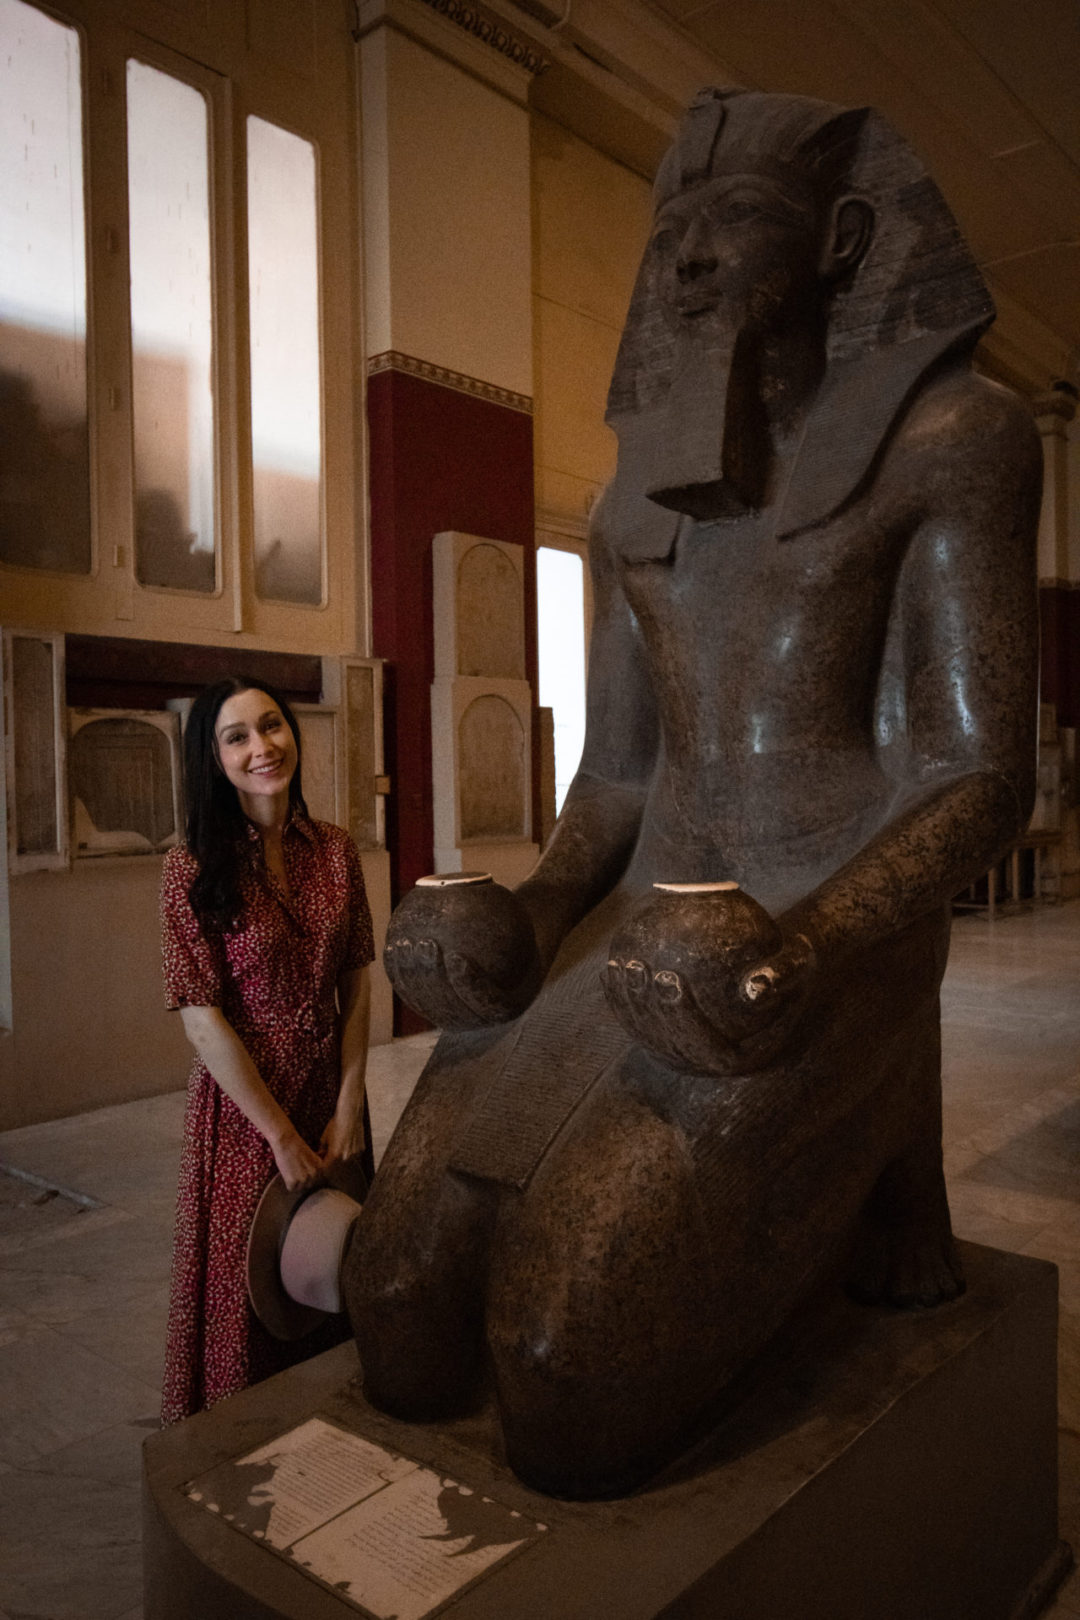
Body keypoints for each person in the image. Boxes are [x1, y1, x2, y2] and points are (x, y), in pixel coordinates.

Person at [350, 89, 1041, 1498]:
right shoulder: (628, 510)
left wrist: (808, 949)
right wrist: (535, 910)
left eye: (733, 219)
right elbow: (619, 776)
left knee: (563, 1375)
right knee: (398, 1308)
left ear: (844, 243)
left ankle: (882, 1143)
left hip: (817, 917)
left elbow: (976, 774)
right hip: (650, 925)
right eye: (672, 228)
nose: (687, 255)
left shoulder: (957, 437)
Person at [159, 676, 375, 1425]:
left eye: (272, 726)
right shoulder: (189, 868)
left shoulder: (337, 852)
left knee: (330, 1270)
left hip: (331, 1096)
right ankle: (241, 1445)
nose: (263, 748)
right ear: (213, 759)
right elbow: (201, 1020)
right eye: (237, 736)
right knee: (251, 1291)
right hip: (250, 1113)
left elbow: (356, 980)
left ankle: (336, 1429)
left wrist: (350, 1102)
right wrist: (278, 1134)